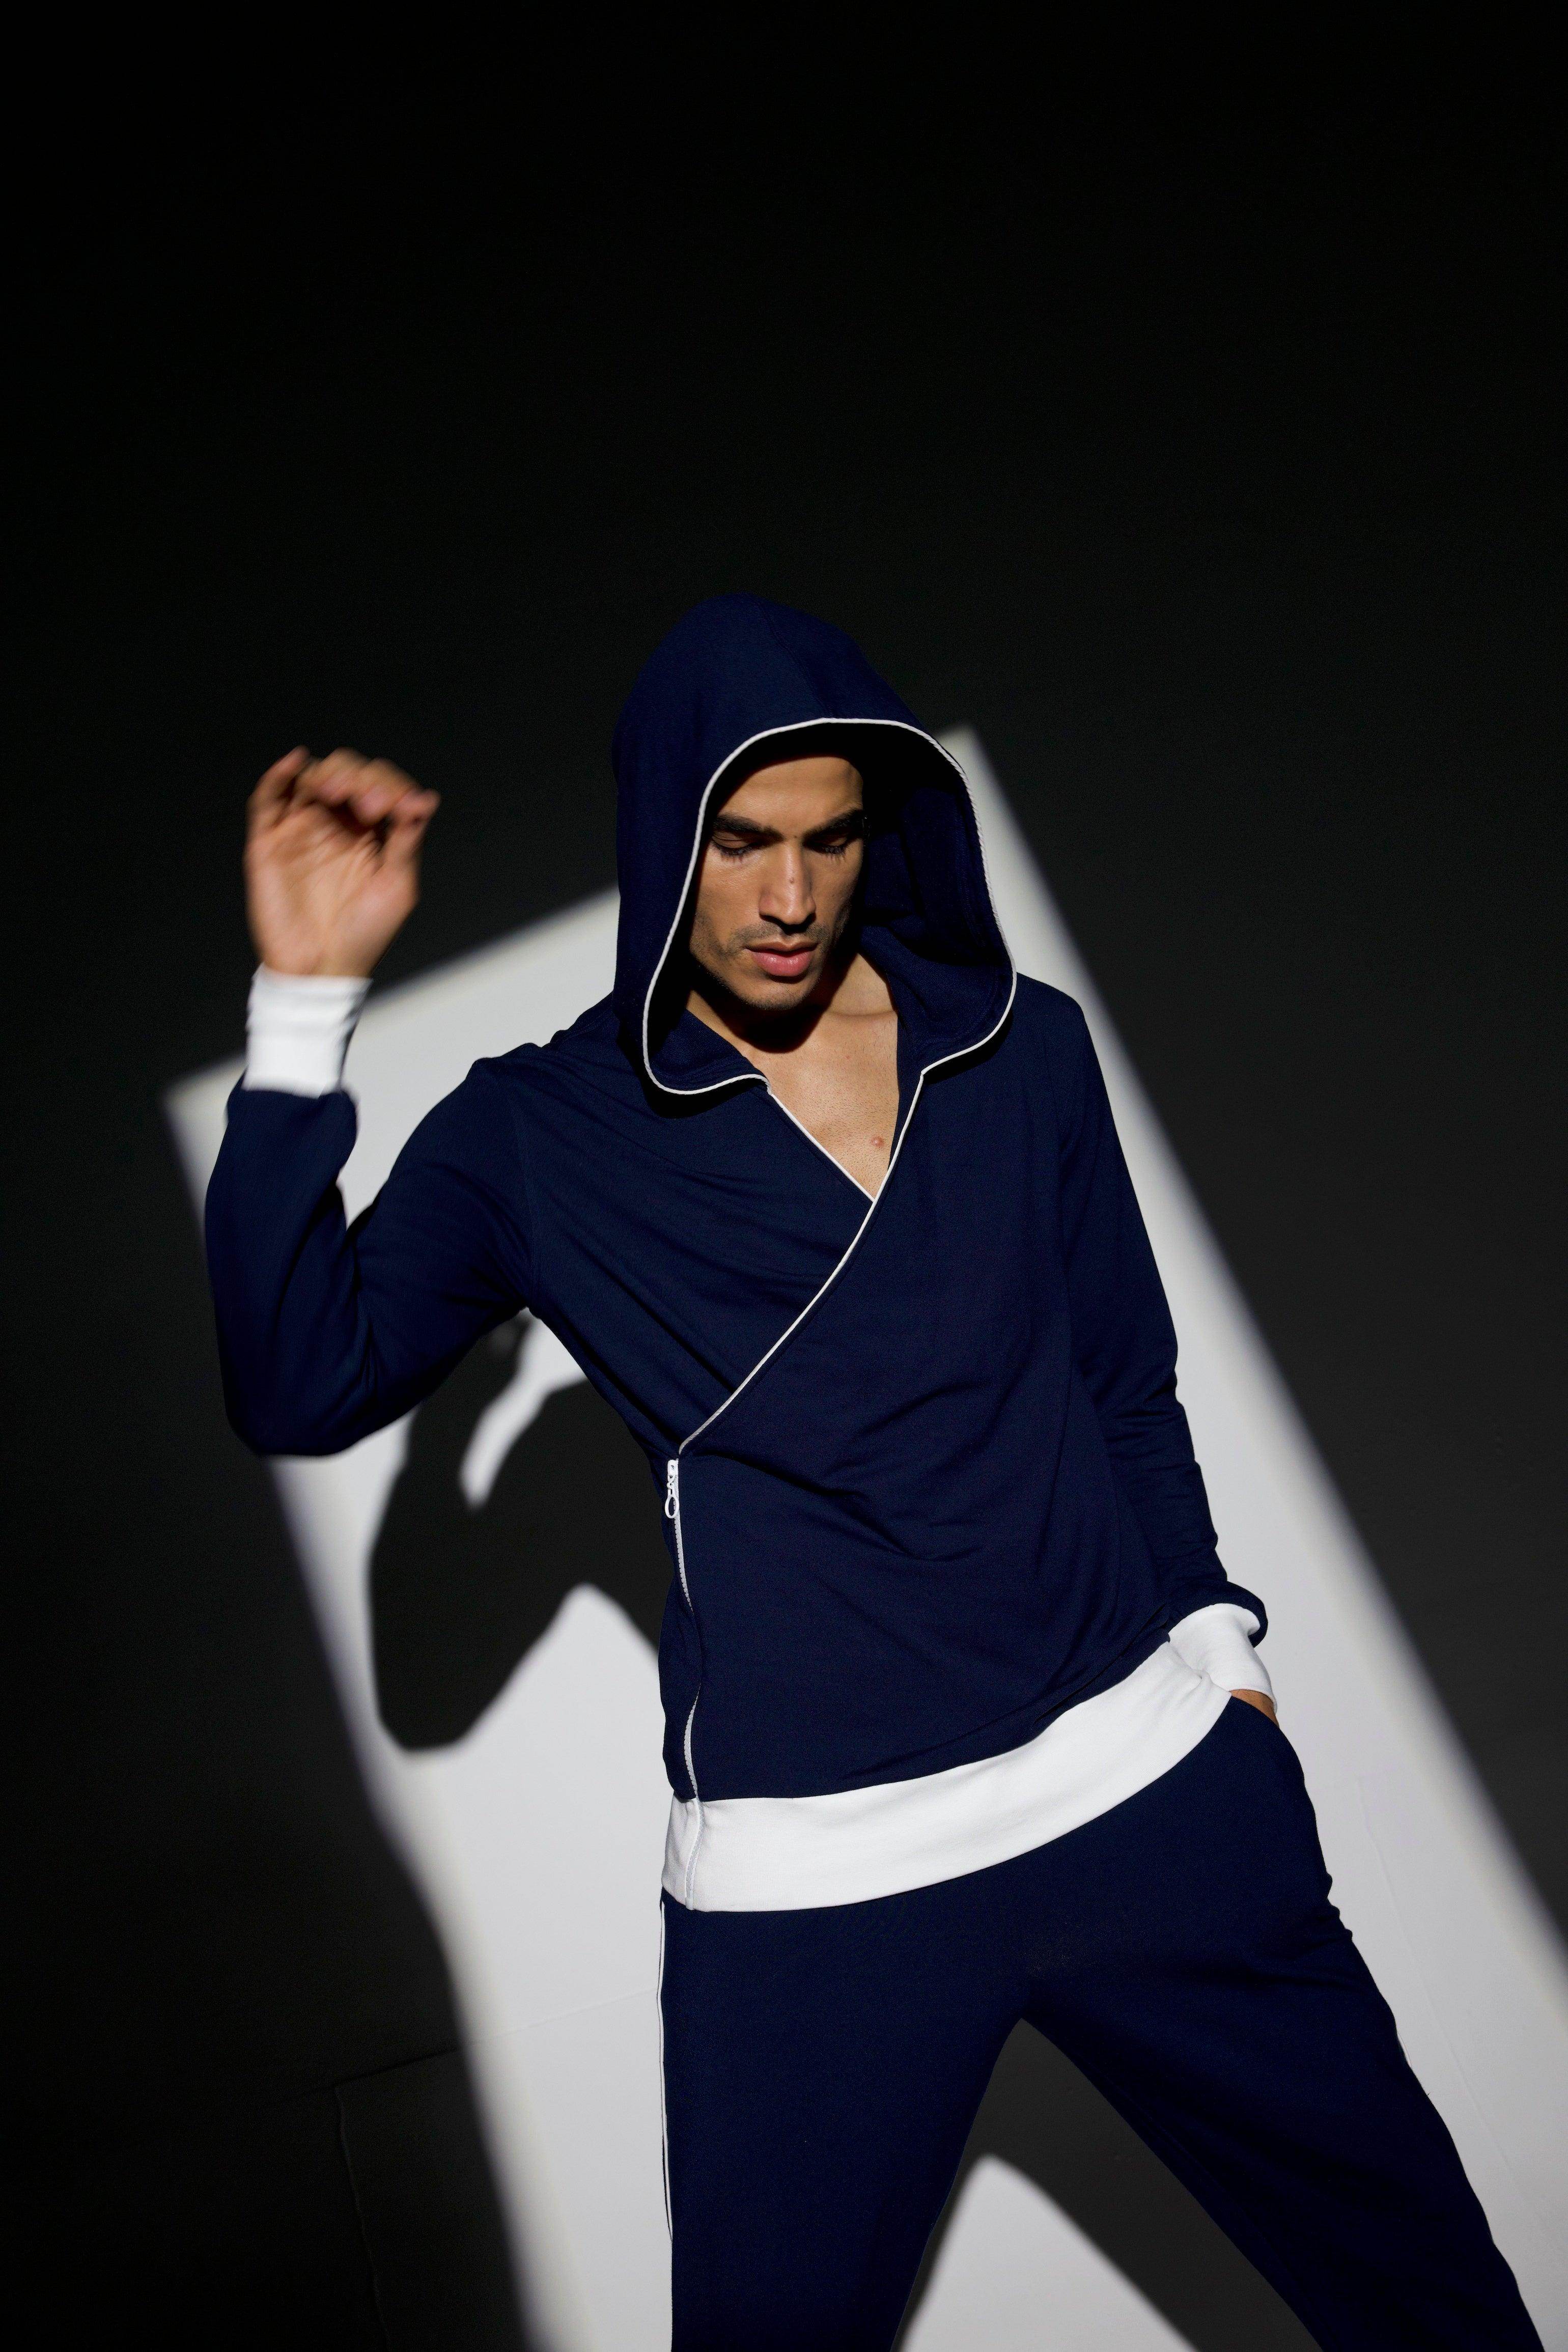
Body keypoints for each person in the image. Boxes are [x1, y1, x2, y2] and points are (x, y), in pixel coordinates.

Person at [207, 595, 1541, 2350]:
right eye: (741, 842)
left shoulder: (1020, 1046)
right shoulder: (541, 1135)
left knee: (1445, 2316)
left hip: (1154, 1813)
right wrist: (304, 1007)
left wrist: (1223, 1659)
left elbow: (1124, 1381)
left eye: (830, 839)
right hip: (818, 1899)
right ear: (663, 838)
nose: (788, 896)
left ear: (881, 831)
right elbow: (299, 1380)